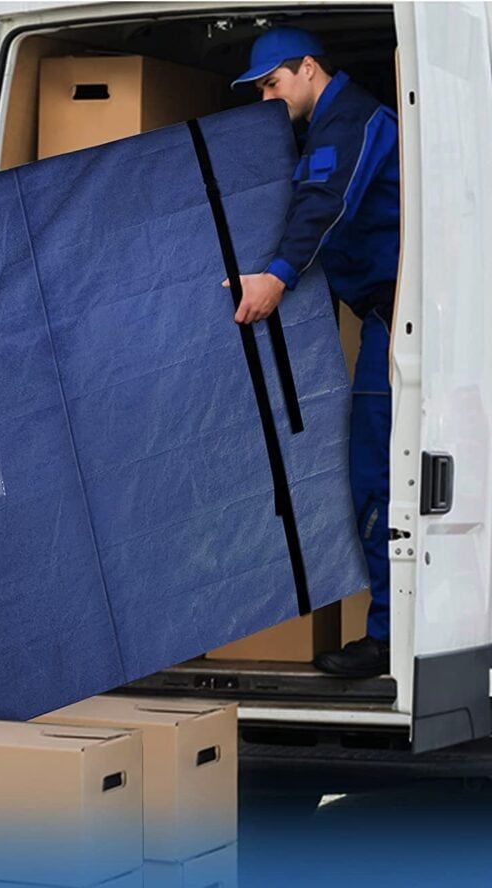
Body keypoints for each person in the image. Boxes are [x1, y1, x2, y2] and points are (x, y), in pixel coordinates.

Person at [227, 27, 400, 678]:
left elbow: (325, 204)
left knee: (377, 473)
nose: (267, 100)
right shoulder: (321, 128)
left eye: (272, 84)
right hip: (384, 312)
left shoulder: (350, 121)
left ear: (308, 69)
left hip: (402, 318)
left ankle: (389, 637)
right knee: (374, 471)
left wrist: (276, 278)